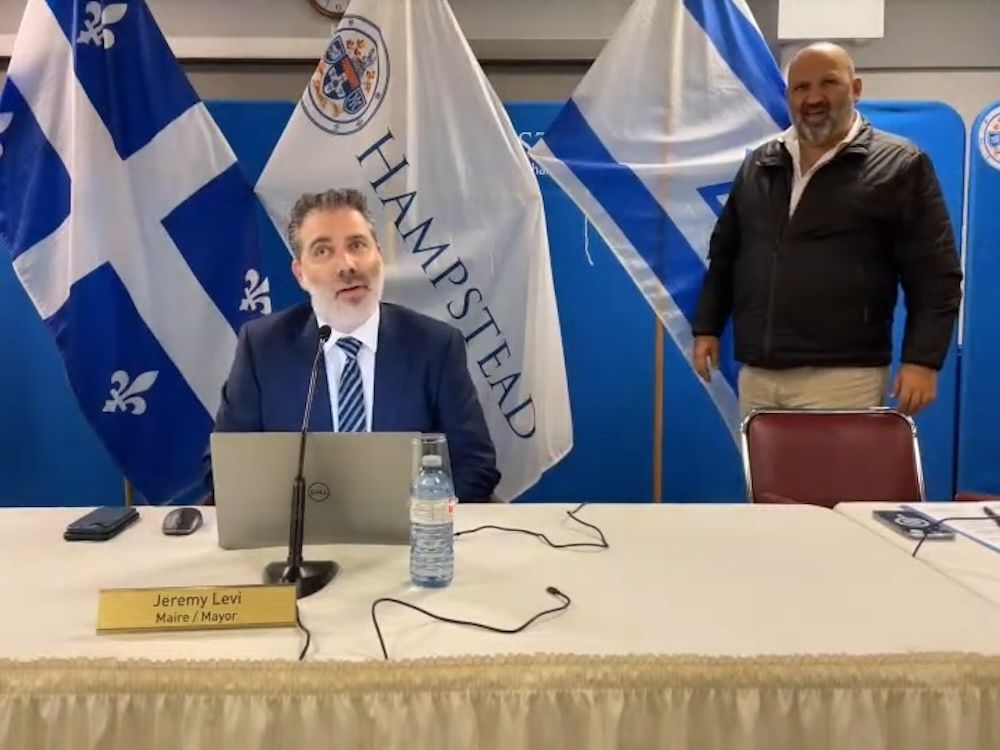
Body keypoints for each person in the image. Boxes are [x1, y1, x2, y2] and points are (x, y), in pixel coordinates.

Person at [692, 42, 962, 417]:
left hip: (843, 376)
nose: (814, 98)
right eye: (801, 87)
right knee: (764, 461)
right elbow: (726, 255)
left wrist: (923, 360)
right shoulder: (759, 164)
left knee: (835, 462)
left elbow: (936, 274)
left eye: (828, 83)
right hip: (758, 373)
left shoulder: (901, 165)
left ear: (856, 89)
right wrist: (707, 327)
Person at [213, 188, 500, 502]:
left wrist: (422, 519)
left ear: (379, 254)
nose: (347, 265)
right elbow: (223, 466)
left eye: (357, 245)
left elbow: (475, 465)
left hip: (411, 528)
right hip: (297, 529)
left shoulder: (435, 346)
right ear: (300, 274)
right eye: (323, 251)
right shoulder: (263, 348)